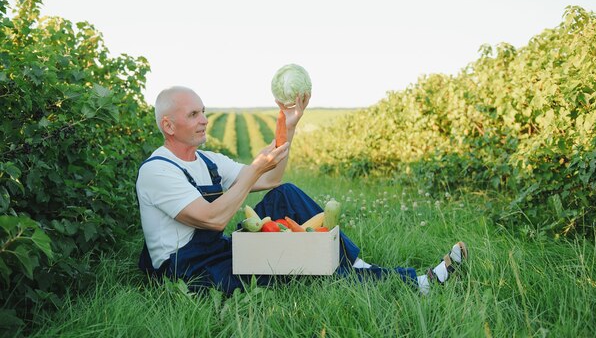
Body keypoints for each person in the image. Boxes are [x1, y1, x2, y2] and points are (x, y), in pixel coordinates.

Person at [136, 86, 467, 295]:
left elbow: (271, 180)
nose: (204, 119)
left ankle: (356, 264)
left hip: (220, 252)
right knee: (299, 268)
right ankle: (417, 283)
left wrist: (289, 125)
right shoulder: (158, 171)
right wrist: (252, 170)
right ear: (168, 125)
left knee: (288, 194)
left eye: (204, 111)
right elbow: (212, 219)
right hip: (190, 272)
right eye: (193, 114)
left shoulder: (206, 160)